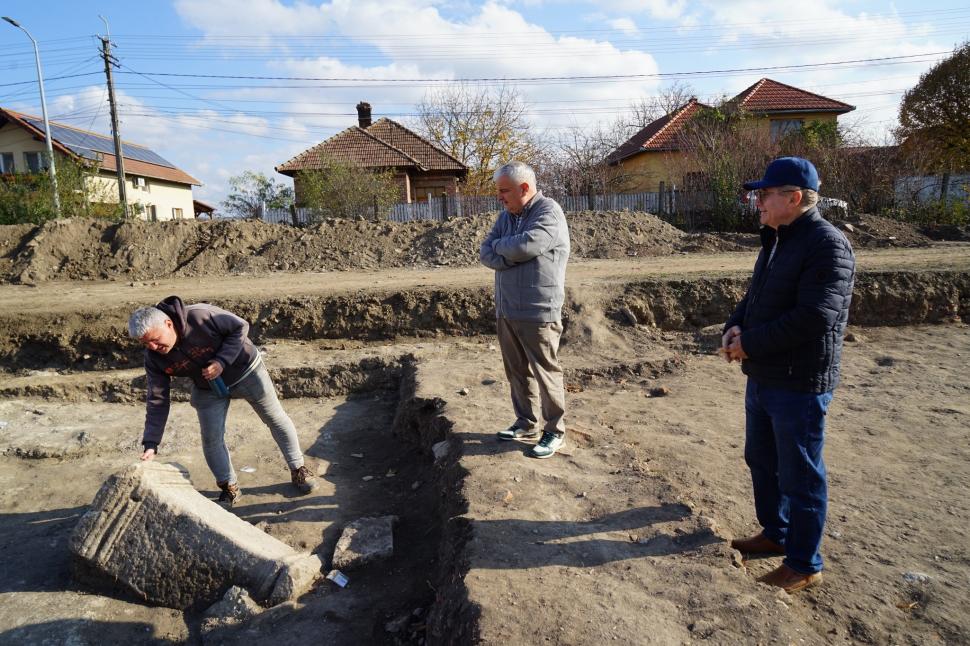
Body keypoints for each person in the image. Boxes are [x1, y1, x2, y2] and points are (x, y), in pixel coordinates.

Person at [721, 157, 855, 593]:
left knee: (800, 474)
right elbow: (755, 297)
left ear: (794, 198)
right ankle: (775, 534)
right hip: (764, 376)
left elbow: (815, 316)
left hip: (798, 382)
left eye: (764, 194)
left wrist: (750, 344)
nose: (756, 201)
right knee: (762, 460)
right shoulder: (776, 239)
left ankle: (803, 563)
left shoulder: (827, 245)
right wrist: (735, 325)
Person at [128, 296, 318, 507]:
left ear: (168, 324)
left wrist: (221, 361)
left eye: (154, 339)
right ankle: (229, 487)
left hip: (246, 370)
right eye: (146, 344)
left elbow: (240, 326)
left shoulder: (200, 316)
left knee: (274, 417)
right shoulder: (153, 357)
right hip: (208, 386)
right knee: (211, 438)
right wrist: (151, 443)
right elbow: (157, 398)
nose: (153, 347)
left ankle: (299, 469)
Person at [479, 161, 570, 459]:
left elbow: (527, 246)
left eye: (504, 191)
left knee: (546, 372)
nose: (500, 197)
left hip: (538, 311)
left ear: (525, 189)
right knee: (516, 371)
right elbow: (486, 251)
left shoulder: (548, 212)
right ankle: (526, 422)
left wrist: (505, 251)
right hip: (507, 309)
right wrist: (509, 252)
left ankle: (554, 432)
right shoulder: (506, 217)